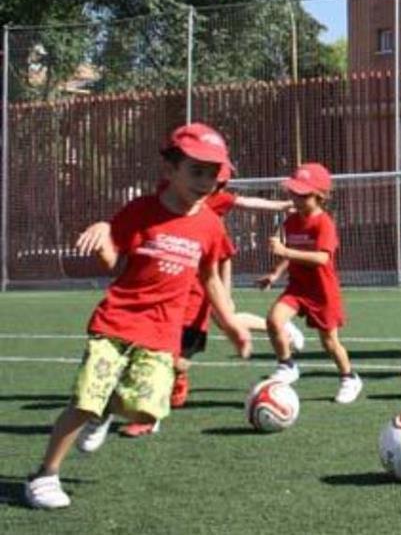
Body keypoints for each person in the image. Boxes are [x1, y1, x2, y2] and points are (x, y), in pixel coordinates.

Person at [24, 123, 251, 510]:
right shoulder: (141, 211)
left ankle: (106, 412)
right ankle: (45, 474)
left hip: (163, 332)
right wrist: (104, 235)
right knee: (84, 400)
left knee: (145, 407)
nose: (205, 181)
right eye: (196, 171)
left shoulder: (211, 225)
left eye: (213, 174)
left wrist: (231, 323)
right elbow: (112, 261)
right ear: (170, 171)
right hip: (117, 320)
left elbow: (210, 277)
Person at [75, 168, 301, 436]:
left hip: (196, 295)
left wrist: (225, 291)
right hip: (163, 296)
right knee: (152, 354)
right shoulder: (164, 203)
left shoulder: (210, 213)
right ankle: (148, 412)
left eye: (214, 180)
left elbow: (224, 255)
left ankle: (279, 331)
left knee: (186, 354)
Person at [256, 163, 361, 404]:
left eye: (303, 195)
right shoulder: (291, 221)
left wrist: (285, 250)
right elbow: (289, 254)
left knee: (330, 342)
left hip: (322, 290)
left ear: (320, 196)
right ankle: (287, 365)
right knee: (273, 320)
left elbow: (322, 258)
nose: (296, 198)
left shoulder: (323, 223)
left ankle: (349, 377)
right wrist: (274, 274)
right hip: (297, 287)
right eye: (293, 192)